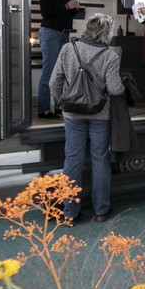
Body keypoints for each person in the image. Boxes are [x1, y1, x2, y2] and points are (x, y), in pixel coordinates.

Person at [51, 13, 124, 224]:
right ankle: (101, 210)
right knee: (100, 159)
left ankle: (70, 213)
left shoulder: (68, 49)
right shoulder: (110, 56)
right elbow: (115, 89)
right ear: (107, 33)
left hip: (73, 114)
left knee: (72, 160)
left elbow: (54, 83)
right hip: (100, 115)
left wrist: (63, 103)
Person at [38, 0, 80, 119]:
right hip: (50, 33)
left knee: (61, 72)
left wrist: (74, 9)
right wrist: (67, 7)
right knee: (49, 72)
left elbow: (67, 14)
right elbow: (47, 13)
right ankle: (43, 109)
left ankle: (58, 106)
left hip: (63, 33)